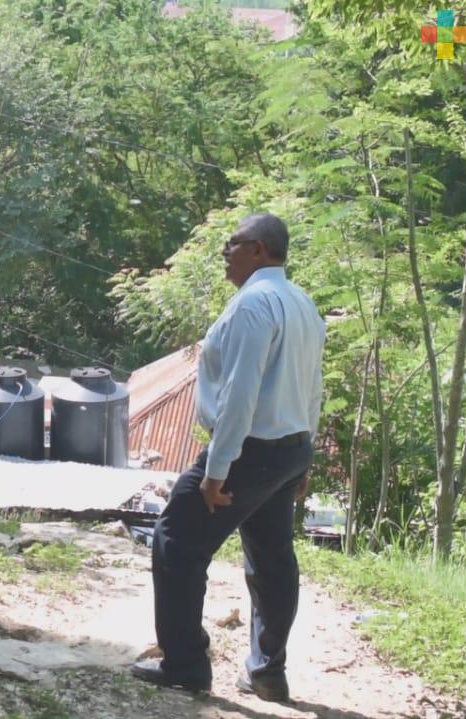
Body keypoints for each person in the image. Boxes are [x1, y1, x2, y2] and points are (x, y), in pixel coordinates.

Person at [132, 213, 325, 702]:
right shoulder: (301, 303)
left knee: (176, 539)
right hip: (289, 448)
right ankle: (267, 671)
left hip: (250, 451)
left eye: (233, 243)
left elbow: (241, 394)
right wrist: (306, 456)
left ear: (258, 249)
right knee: (271, 557)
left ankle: (185, 665)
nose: (225, 250)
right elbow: (313, 387)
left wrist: (216, 472)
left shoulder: (254, 306)